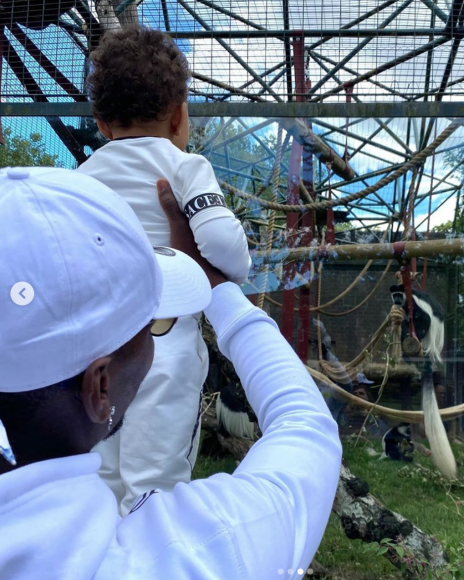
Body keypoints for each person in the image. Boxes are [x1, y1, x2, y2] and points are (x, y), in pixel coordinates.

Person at [0, 167, 342, 580]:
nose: (156, 332)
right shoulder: (188, 558)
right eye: (154, 324)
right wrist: (220, 292)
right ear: (100, 387)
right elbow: (307, 430)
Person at [76, 26, 252, 514]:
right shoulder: (185, 166)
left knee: (101, 476)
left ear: (102, 124)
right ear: (179, 115)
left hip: (99, 355)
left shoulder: (81, 181)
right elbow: (225, 248)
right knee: (156, 485)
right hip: (167, 349)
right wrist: (231, 264)